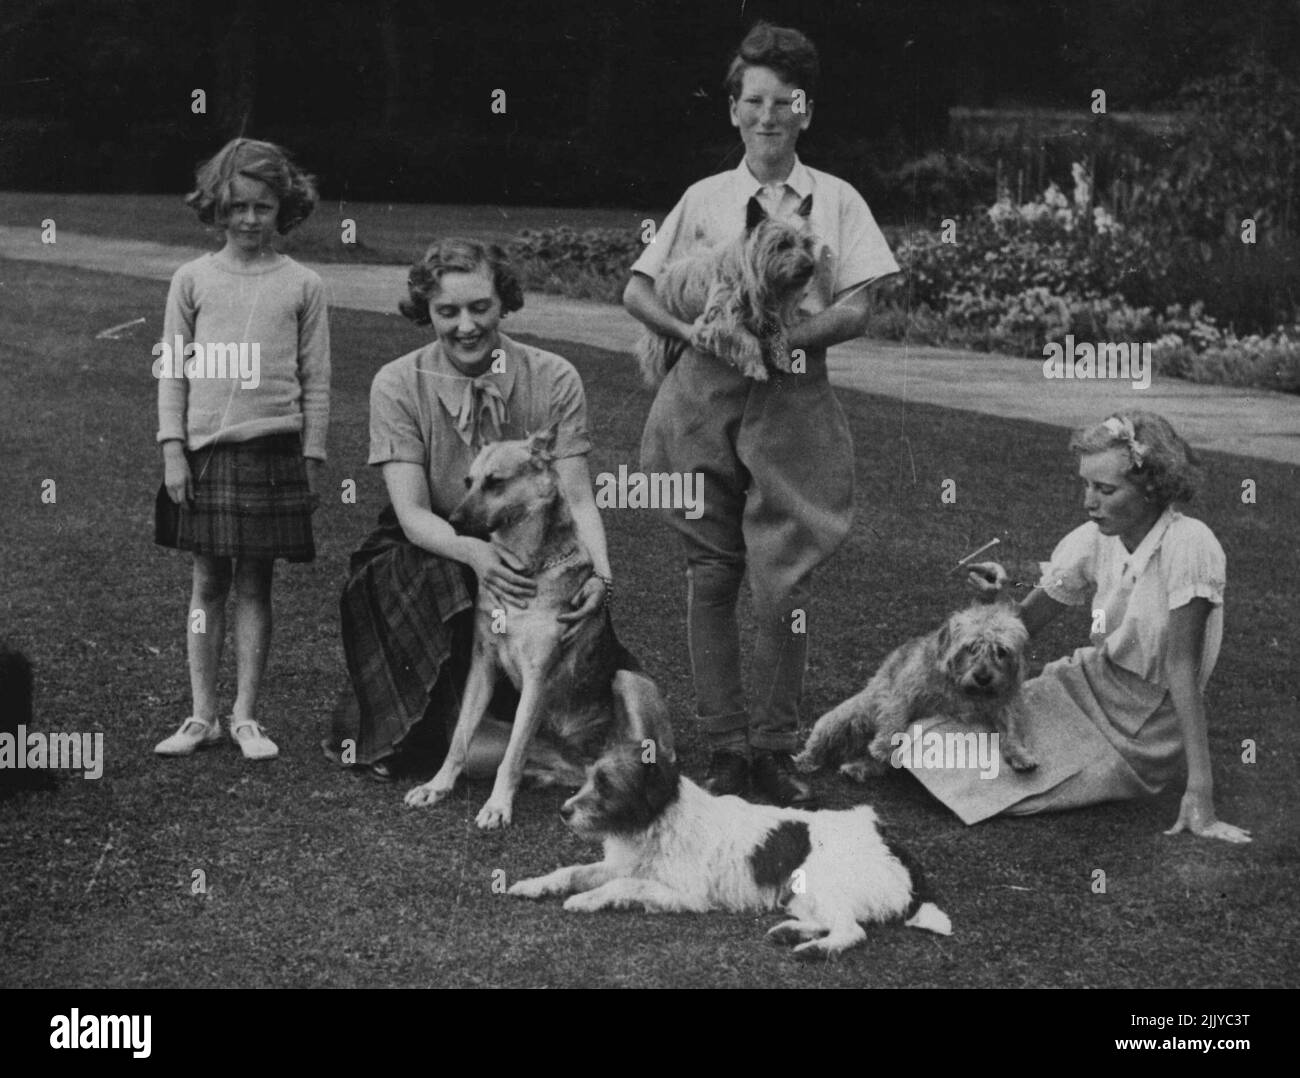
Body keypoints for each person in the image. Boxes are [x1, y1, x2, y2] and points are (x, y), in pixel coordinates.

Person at [623, 22, 899, 805]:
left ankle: (774, 748)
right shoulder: (704, 199)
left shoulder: (837, 199)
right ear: (734, 110)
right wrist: (695, 335)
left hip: (794, 401)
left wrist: (785, 343)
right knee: (710, 573)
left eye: (785, 101)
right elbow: (637, 290)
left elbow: (858, 307)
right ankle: (724, 748)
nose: (769, 115)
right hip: (702, 400)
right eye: (754, 100)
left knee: (782, 584)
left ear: (805, 111)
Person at [331, 239, 611, 780]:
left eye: (479, 307)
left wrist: (601, 576)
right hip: (430, 539)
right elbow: (412, 513)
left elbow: (577, 498)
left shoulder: (554, 377)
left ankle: (515, 728)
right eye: (447, 311)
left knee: (588, 676)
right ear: (426, 312)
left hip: (534, 541)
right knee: (448, 586)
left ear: (503, 302)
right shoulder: (395, 383)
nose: (466, 325)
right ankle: (434, 722)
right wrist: (476, 554)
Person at [912, 411, 1251, 844]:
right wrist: (992, 598)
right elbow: (1024, 625)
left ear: (1152, 488)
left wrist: (1200, 792)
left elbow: (1182, 670)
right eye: (1086, 485)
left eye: (1105, 489)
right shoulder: (1096, 537)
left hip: (1143, 728)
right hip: (1084, 683)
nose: (1088, 502)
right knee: (924, 740)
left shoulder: (1190, 544)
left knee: (987, 778)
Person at [154, 138, 330, 761]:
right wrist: (173, 449)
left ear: (284, 207)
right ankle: (201, 714)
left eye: (263, 206)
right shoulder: (192, 279)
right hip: (206, 456)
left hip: (275, 455)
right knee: (207, 583)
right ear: (216, 208)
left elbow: (317, 378)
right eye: (237, 208)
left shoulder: (303, 284)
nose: (251, 220)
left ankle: (245, 716)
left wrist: (312, 458)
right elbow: (173, 370)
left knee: (256, 586)